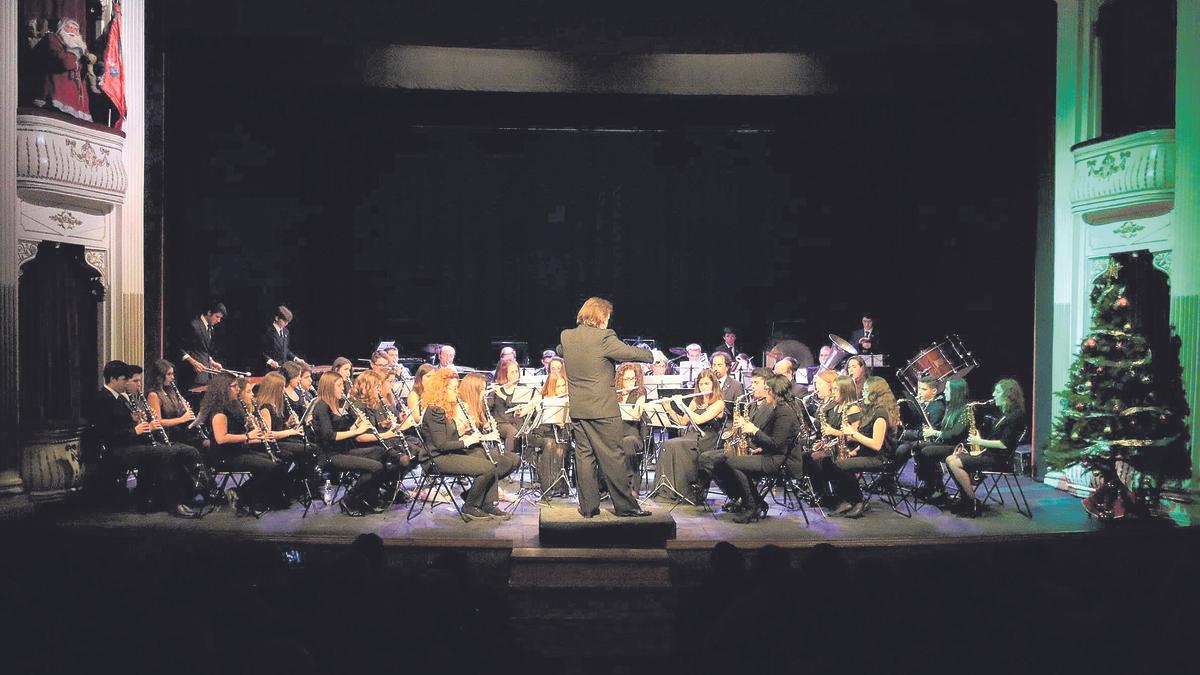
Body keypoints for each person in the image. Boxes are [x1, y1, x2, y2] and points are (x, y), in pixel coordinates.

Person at [558, 297, 655, 518]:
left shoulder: (567, 336)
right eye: (607, 318)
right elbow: (630, 353)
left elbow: (560, 350)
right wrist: (652, 355)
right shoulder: (604, 338)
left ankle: (588, 508)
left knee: (584, 458)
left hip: (580, 410)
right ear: (600, 317)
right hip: (603, 410)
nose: (608, 322)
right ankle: (626, 507)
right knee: (614, 458)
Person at [90, 361, 201, 517]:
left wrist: (140, 422)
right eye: (124, 379)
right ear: (113, 379)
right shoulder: (103, 398)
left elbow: (124, 423)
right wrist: (135, 430)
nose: (127, 383)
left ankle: (166, 498)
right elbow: (105, 433)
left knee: (176, 451)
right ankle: (174, 504)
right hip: (116, 450)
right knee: (165, 453)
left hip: (131, 445)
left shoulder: (120, 398)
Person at [419, 369, 508, 520]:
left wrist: (465, 429)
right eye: (453, 389)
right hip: (435, 458)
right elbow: (441, 445)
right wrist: (468, 441)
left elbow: (451, 436)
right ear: (442, 390)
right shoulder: (435, 410)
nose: (457, 391)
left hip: (449, 453)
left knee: (491, 458)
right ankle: (470, 506)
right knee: (487, 468)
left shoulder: (448, 408)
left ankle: (487, 504)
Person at [714, 372, 801, 524]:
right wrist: (759, 448)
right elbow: (778, 442)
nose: (765, 391)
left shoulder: (784, 412)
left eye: (767, 389)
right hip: (775, 456)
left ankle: (752, 506)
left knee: (733, 463)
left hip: (784, 462)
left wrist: (753, 430)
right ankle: (757, 503)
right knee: (728, 460)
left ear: (774, 391)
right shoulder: (778, 408)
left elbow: (777, 443)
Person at [198, 372, 291, 514]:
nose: (237, 389)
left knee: (278, 462)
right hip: (225, 456)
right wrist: (248, 435)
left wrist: (249, 425)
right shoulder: (219, 411)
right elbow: (221, 438)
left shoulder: (233, 406)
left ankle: (248, 495)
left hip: (239, 450)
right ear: (224, 388)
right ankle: (244, 495)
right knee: (271, 467)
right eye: (234, 386)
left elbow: (237, 431)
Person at [944, 379, 1027, 517]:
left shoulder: (1015, 416)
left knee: (954, 462)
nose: (993, 394)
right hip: (989, 455)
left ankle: (971, 501)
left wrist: (979, 441)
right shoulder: (1004, 414)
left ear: (1009, 395)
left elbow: (1003, 444)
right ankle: (965, 499)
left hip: (999, 460)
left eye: (998, 391)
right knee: (950, 458)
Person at [308, 372, 384, 516]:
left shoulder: (336, 405)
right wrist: (357, 431)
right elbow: (329, 436)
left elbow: (343, 430)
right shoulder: (322, 406)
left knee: (380, 452)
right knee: (376, 467)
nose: (343, 388)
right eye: (339, 385)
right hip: (330, 455)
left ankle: (369, 498)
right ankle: (349, 500)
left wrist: (356, 425)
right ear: (329, 387)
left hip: (342, 450)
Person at [824, 376, 899, 518]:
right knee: (834, 463)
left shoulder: (880, 414)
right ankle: (846, 500)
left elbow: (876, 445)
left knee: (841, 466)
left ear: (874, 393)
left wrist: (853, 433)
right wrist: (855, 450)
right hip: (868, 454)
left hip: (880, 458)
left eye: (865, 391)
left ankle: (858, 500)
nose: (862, 394)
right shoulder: (870, 411)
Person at [653, 369, 726, 504]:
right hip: (690, 437)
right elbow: (682, 421)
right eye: (701, 384)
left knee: (673, 444)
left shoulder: (719, 403)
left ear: (713, 385)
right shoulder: (694, 402)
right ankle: (666, 490)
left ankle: (684, 491)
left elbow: (699, 419)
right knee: (667, 444)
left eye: (707, 383)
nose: (703, 387)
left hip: (705, 440)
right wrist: (669, 408)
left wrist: (682, 405)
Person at [908, 378, 970, 502]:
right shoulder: (950, 407)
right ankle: (930, 485)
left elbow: (954, 434)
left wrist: (934, 432)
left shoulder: (965, 410)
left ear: (956, 392)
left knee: (927, 451)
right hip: (946, 443)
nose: (944, 392)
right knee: (918, 446)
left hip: (958, 446)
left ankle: (938, 487)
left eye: (947, 390)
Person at [527, 371, 572, 498]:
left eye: (563, 386)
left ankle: (559, 487)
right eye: (558, 386)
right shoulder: (541, 399)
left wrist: (564, 422)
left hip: (560, 436)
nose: (562, 389)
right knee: (549, 443)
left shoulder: (568, 402)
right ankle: (547, 488)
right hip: (539, 436)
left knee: (559, 446)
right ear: (551, 387)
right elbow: (531, 420)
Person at [144, 359, 203, 448]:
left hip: (179, 432)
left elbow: (176, 414)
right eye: (169, 374)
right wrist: (182, 419)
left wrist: (183, 409)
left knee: (204, 441)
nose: (173, 377)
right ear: (159, 376)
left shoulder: (171, 391)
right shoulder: (153, 395)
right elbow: (158, 422)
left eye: (172, 374)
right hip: (167, 437)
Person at [615, 363, 649, 488]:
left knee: (628, 442)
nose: (630, 382)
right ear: (620, 380)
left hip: (633, 434)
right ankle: (607, 486)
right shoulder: (615, 394)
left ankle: (632, 485)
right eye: (626, 379)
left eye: (632, 379)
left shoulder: (640, 393)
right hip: (617, 432)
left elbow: (636, 415)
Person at [180, 302, 226, 386]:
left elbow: (202, 350)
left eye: (220, 318)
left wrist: (211, 362)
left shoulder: (210, 328)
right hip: (194, 376)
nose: (219, 320)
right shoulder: (194, 325)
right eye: (217, 317)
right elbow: (181, 349)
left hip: (206, 377)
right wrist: (194, 363)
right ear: (209, 313)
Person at [263, 305, 303, 371]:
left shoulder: (286, 332)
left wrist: (295, 358)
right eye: (284, 321)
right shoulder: (267, 331)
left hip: (283, 369)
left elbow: (285, 349)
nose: (286, 323)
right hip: (270, 370)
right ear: (276, 318)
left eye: (287, 321)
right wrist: (270, 361)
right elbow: (261, 352)